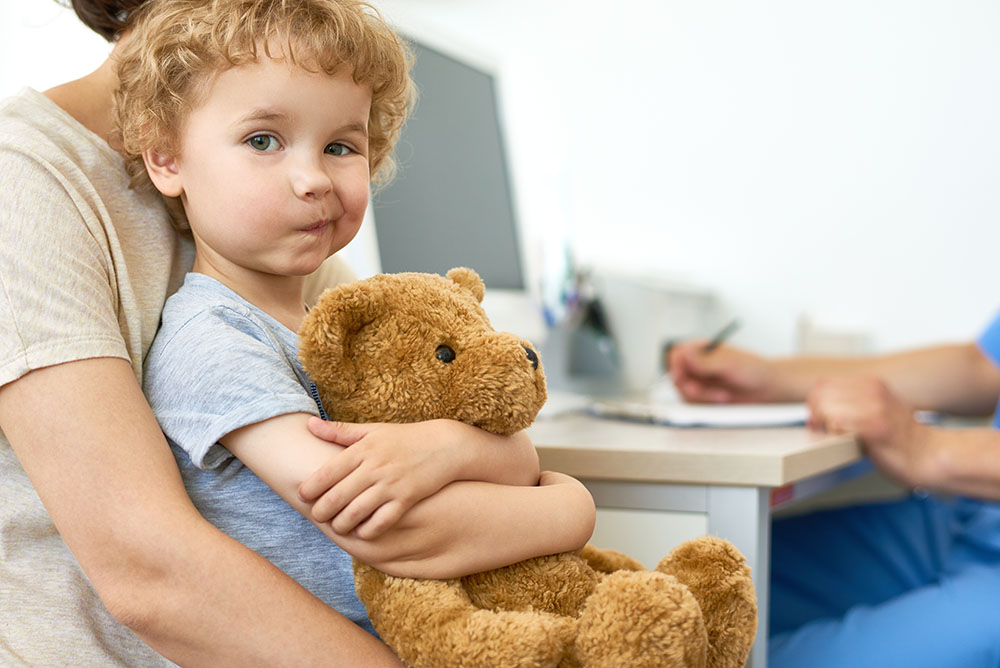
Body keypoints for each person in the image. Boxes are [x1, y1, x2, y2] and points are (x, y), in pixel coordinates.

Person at [0, 1, 594, 666]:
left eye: (341, 146)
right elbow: (153, 575)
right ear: (164, 155)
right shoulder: (26, 180)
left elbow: (479, 452)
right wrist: (567, 505)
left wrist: (471, 456)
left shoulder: (285, 257)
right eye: (263, 141)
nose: (312, 178)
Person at [668, 320, 1000, 667]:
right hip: (968, 523)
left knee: (740, 657)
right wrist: (773, 378)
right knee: (695, 593)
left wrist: (927, 448)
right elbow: (983, 365)